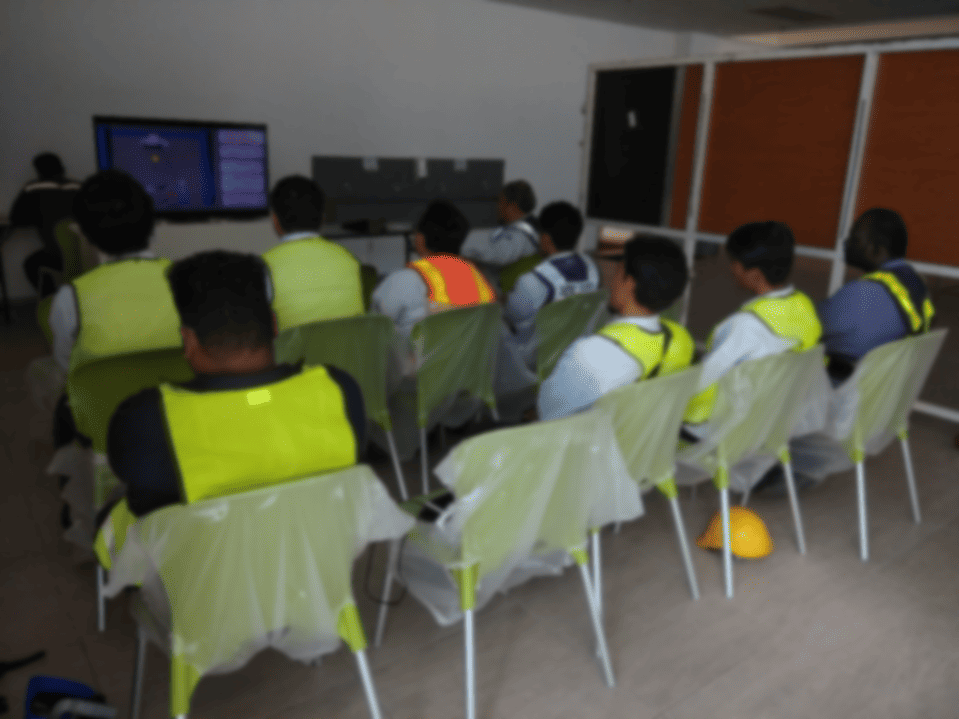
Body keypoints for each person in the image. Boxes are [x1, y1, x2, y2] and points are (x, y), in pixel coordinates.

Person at [105, 251, 366, 518]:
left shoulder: (146, 421)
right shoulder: (339, 391)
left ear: (188, 340)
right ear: (274, 326)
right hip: (319, 542)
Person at [50, 170, 181, 453]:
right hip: (180, 423)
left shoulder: (70, 300)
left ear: (86, 234)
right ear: (153, 223)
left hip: (104, 434)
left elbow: (68, 367)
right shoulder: (191, 281)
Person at [682, 221, 822, 440]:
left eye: (734, 263)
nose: (732, 269)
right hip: (776, 419)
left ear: (755, 274)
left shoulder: (744, 325)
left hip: (718, 428)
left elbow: (702, 380)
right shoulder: (804, 307)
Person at [537, 235, 694, 421]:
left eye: (617, 273)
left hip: (595, 439)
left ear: (630, 284)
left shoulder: (594, 353)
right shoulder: (681, 339)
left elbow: (547, 413)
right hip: (643, 437)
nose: (611, 282)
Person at [818, 208, 934, 385]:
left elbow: (808, 327)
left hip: (841, 392)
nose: (848, 244)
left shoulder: (863, 293)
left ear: (877, 250)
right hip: (884, 390)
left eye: (856, 239)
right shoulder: (916, 285)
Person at [371, 199, 496, 339]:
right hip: (473, 353)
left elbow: (373, 326)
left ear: (420, 239)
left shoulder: (406, 280)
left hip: (421, 353)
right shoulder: (480, 278)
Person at [503, 200, 601, 367]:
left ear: (546, 238)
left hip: (535, 361)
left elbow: (512, 316)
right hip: (578, 353)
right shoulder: (591, 268)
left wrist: (503, 299)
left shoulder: (533, 280)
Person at [262, 175, 364, 333]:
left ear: (275, 220)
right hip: (348, 349)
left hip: (292, 350)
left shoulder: (262, 266)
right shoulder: (349, 259)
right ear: (323, 218)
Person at [7, 153, 81, 296]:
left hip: (56, 254)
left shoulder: (32, 188)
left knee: (31, 264)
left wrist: (40, 218)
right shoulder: (78, 186)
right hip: (84, 251)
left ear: (38, 170)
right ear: (61, 168)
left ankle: (51, 298)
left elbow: (17, 218)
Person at [461, 180, 540, 269]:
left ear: (512, 206)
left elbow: (501, 256)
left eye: (501, 202)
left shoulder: (520, 234)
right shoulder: (527, 227)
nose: (497, 207)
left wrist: (467, 250)